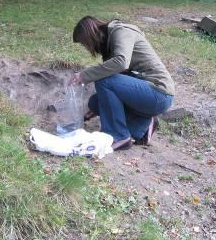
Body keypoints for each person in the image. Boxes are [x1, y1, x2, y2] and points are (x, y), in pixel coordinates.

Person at [71, 16, 174, 150]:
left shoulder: (121, 31)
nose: (87, 47)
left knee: (104, 81)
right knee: (95, 103)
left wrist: (84, 75)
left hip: (159, 92)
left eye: (85, 43)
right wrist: (100, 106)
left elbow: (121, 62)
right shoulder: (109, 45)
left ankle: (118, 136)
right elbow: (119, 79)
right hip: (146, 94)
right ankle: (144, 124)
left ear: (90, 35)